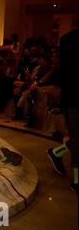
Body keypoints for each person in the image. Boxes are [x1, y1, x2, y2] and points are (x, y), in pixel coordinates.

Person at [47, 28, 78, 194]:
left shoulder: (67, 39)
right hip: (74, 99)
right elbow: (66, 71)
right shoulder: (69, 40)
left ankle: (57, 152)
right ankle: (77, 181)